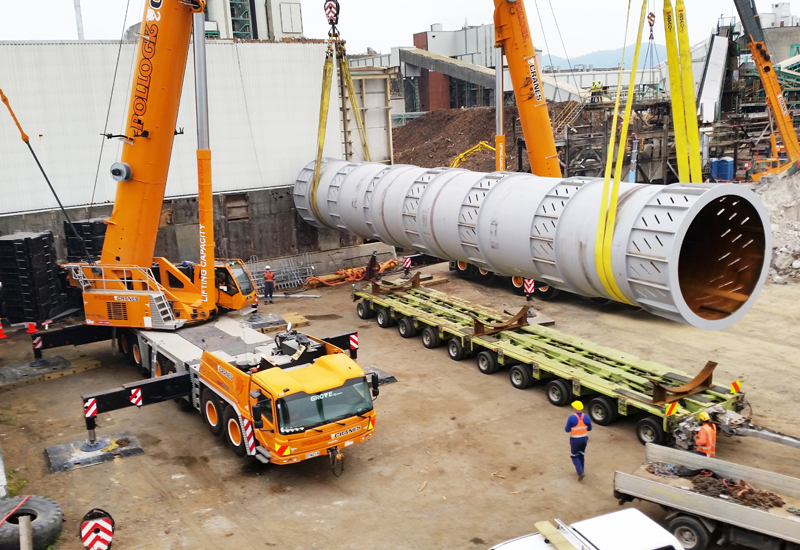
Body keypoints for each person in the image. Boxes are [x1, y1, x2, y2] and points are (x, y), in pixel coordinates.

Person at [565, 400, 592, 480]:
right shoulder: (586, 417)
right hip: (584, 439)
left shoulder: (572, 418)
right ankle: (581, 469)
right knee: (581, 454)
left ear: (575, 408)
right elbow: (589, 428)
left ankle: (580, 472)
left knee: (574, 456)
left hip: (575, 440)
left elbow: (567, 429)